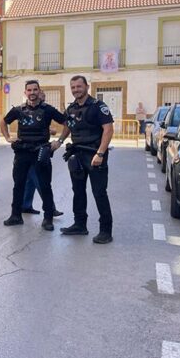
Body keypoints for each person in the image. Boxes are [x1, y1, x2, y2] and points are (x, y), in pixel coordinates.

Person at [0, 80, 66, 231]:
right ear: (25, 93)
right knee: (18, 185)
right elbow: (3, 122)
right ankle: (16, 215)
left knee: (45, 186)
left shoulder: (48, 110)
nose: (32, 93)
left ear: (39, 91)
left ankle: (48, 218)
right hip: (22, 152)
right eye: (29, 90)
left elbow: (66, 123)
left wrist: (59, 141)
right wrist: (8, 138)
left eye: (35, 90)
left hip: (40, 152)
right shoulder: (18, 110)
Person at [58, 75, 115, 244]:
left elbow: (108, 129)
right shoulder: (71, 109)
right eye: (73, 87)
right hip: (78, 155)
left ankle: (106, 231)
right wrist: (59, 141)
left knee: (99, 193)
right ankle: (80, 225)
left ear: (87, 87)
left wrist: (100, 153)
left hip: (95, 155)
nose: (76, 90)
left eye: (79, 86)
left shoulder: (98, 106)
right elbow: (67, 126)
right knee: (78, 192)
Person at [21, 91, 63, 217]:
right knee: (40, 180)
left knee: (30, 180)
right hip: (30, 151)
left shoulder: (44, 110)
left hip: (38, 149)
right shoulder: (25, 109)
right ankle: (50, 208)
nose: (43, 100)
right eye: (42, 98)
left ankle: (25, 205)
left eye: (44, 98)